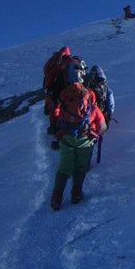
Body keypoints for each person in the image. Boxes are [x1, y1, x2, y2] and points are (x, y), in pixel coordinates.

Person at [50, 62, 107, 211]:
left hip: (66, 137)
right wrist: (96, 131)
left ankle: (56, 197)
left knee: (64, 167)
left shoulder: (64, 95)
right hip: (84, 139)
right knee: (80, 167)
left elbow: (56, 113)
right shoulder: (89, 97)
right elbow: (102, 125)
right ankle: (76, 193)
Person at [43, 46, 72, 133]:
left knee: (53, 104)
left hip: (50, 85)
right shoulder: (67, 60)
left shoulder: (53, 59)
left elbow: (45, 69)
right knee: (62, 105)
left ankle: (53, 125)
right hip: (62, 85)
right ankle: (60, 127)